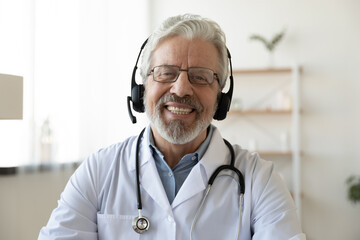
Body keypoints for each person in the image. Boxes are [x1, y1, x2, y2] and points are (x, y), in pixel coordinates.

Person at [38, 14, 306, 240]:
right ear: (142, 88)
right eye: (166, 73)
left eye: (200, 77)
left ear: (221, 98)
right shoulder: (99, 171)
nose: (181, 89)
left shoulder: (260, 180)